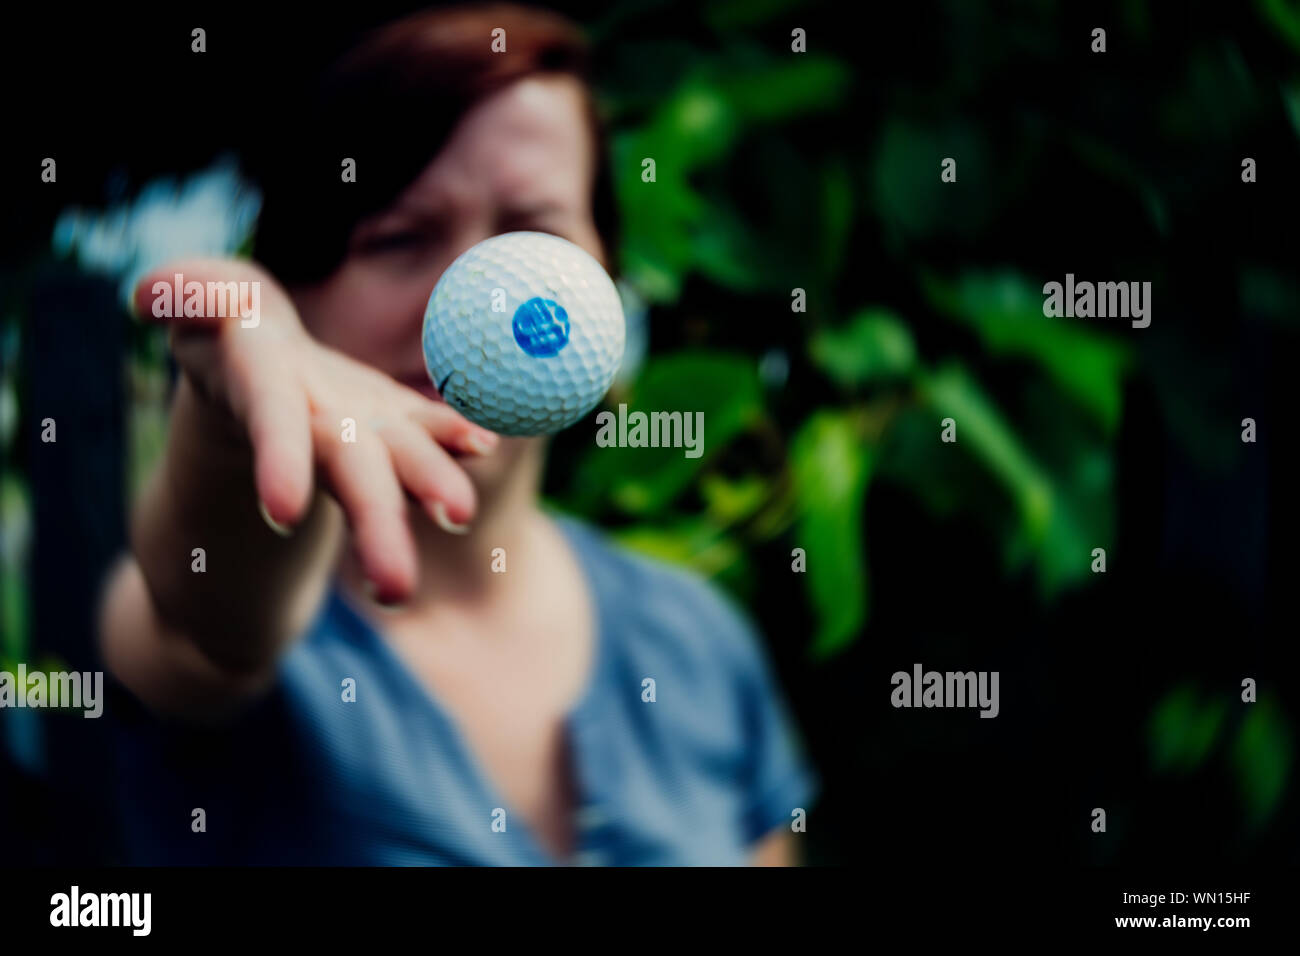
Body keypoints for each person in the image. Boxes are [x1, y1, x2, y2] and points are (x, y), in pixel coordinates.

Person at [99, 2, 817, 866]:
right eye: (400, 237)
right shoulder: (244, 612)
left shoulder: (696, 639)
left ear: (610, 278)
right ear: (298, 290)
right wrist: (227, 421)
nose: (476, 294)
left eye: (532, 237)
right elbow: (203, 632)